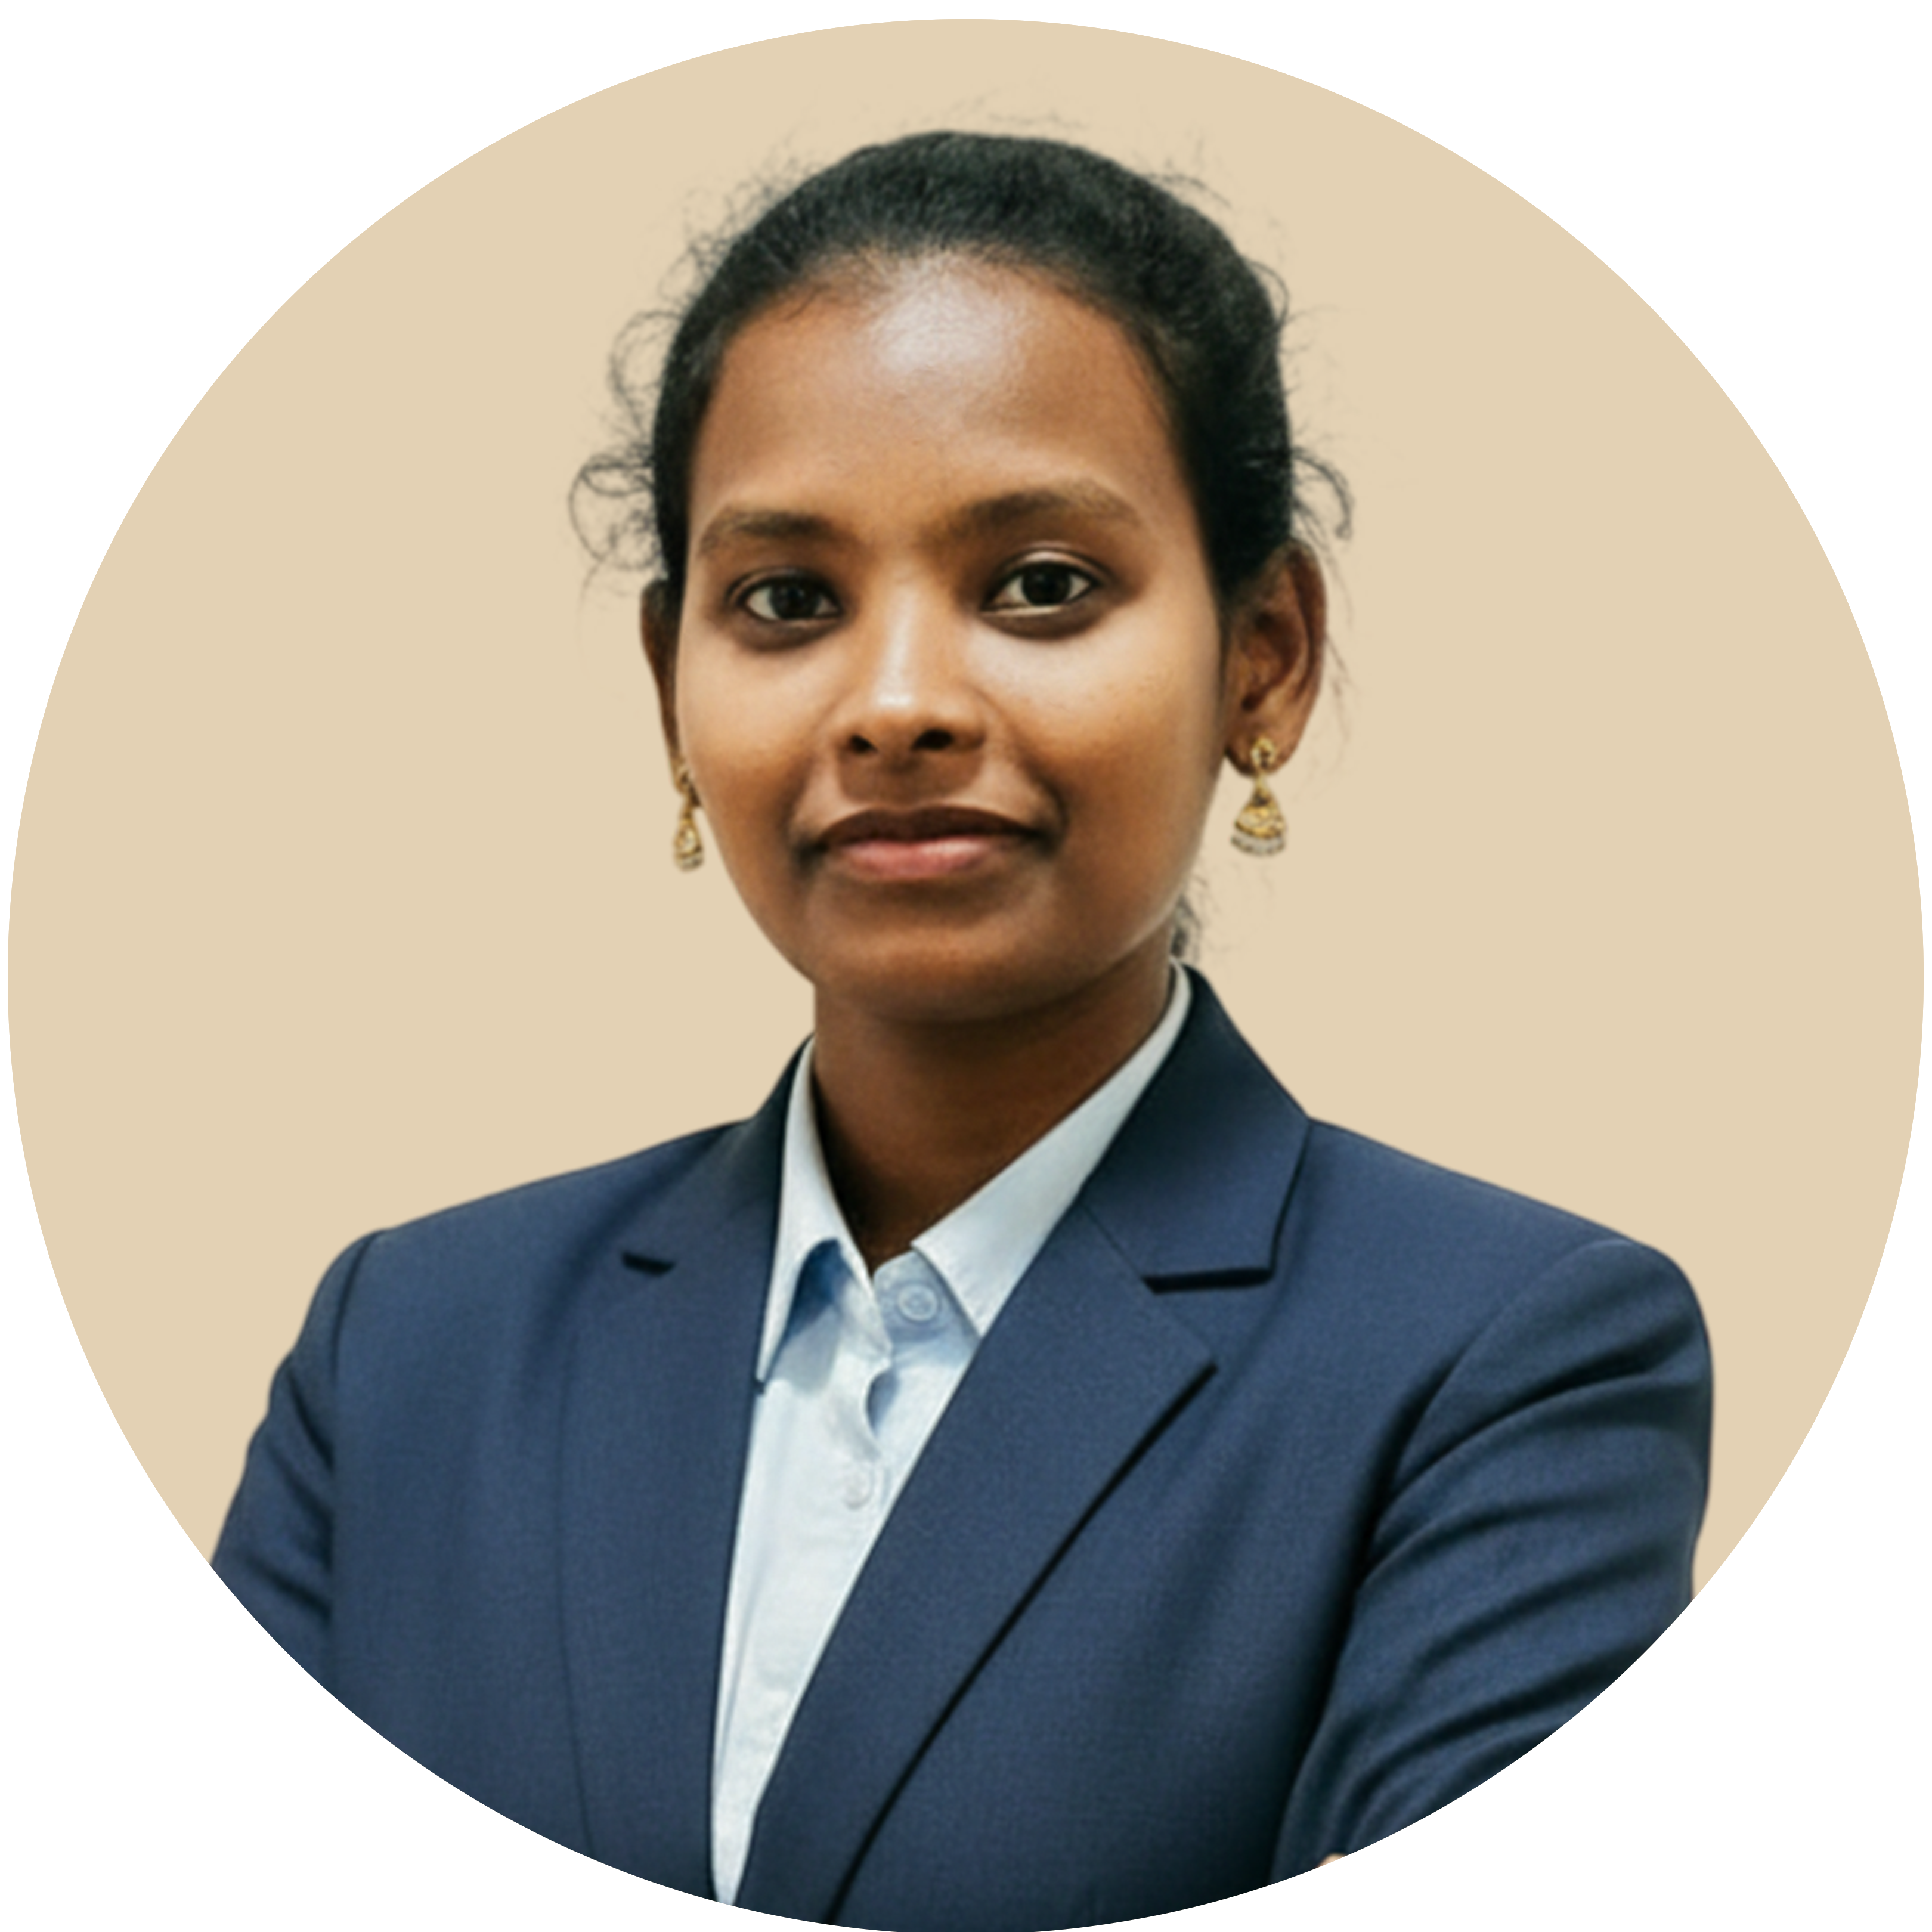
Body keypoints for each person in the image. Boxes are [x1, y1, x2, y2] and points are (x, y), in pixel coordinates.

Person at [213, 131, 1711, 1931]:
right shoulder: (410, 1347)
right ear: (671, 685)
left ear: (1264, 656)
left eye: (1042, 585)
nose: (900, 704)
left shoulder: (1508, 1364)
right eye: (787, 602)